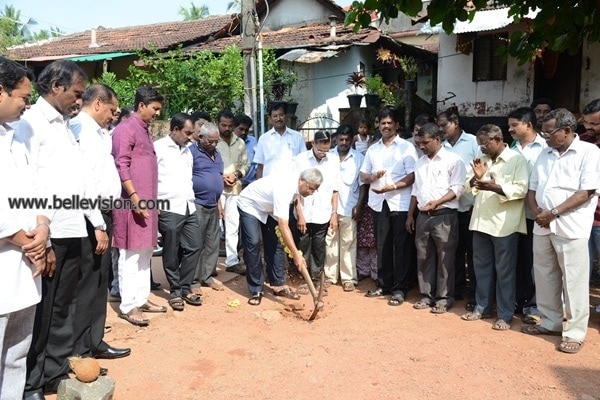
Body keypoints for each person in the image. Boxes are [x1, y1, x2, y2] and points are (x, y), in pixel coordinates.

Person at [13, 60, 87, 399]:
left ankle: (54, 373)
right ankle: (31, 383)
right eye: (76, 94)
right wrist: (47, 237)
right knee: (41, 315)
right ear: (55, 86)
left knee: (62, 309)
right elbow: (31, 184)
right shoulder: (30, 124)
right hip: (48, 233)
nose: (79, 101)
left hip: (71, 227)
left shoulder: (65, 125)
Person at [521, 108, 600, 354]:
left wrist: (553, 213)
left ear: (566, 130)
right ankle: (550, 322)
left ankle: (575, 332)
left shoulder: (589, 152)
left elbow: (586, 192)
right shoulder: (545, 154)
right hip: (543, 226)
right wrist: (537, 213)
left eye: (549, 133)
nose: (545, 138)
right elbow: (532, 189)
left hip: (571, 226)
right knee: (544, 276)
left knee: (574, 281)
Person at [0, 57, 53, 400]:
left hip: (24, 260)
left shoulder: (16, 136)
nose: (27, 104)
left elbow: (37, 186)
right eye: (22, 96)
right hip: (9, 254)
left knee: (16, 353)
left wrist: (43, 226)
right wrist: (24, 240)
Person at [70, 84, 131, 360]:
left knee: (99, 281)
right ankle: (81, 349)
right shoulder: (80, 130)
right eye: (111, 109)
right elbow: (83, 181)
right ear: (97, 103)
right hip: (88, 216)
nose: (113, 115)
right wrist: (97, 223)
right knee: (88, 282)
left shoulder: (99, 132)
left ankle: (95, 340)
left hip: (103, 212)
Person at [461, 124, 529, 331]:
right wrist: (477, 177)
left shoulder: (516, 160)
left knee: (505, 272)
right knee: (481, 269)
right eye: (479, 144)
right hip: (481, 222)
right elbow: (467, 188)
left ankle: (505, 314)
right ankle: (483, 308)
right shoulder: (482, 161)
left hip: (504, 225)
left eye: (484, 143)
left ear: (497, 140)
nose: (481, 148)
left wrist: (494, 187)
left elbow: (521, 189)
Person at [112, 85, 166, 327]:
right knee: (130, 254)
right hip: (131, 203)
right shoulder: (125, 129)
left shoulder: (145, 130)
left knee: (145, 252)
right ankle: (128, 305)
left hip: (148, 202)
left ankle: (142, 298)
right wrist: (135, 198)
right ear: (141, 105)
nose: (157, 113)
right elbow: (121, 165)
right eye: (154, 109)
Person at [238, 168, 323, 305]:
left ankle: (278, 284)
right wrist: (296, 255)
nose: (312, 193)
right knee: (253, 243)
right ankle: (256, 289)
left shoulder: (298, 185)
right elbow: (284, 225)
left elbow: (287, 216)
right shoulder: (285, 188)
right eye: (311, 189)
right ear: (302, 181)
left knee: (276, 243)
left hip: (270, 208)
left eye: (315, 190)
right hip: (250, 204)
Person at [406, 122, 466, 313]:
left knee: (445, 258)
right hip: (423, 216)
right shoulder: (420, 162)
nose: (422, 147)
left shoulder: (454, 160)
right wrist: (410, 215)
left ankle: (444, 298)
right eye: (419, 143)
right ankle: (426, 296)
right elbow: (415, 191)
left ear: (437, 140)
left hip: (445, 215)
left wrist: (437, 202)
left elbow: (457, 188)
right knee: (423, 257)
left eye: (425, 143)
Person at [360, 107, 416, 306]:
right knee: (382, 245)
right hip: (378, 202)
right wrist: (372, 177)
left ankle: (400, 289)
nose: (385, 126)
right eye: (382, 123)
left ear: (397, 125)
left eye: (389, 123)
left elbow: (412, 176)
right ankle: (384, 284)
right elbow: (363, 175)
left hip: (399, 202)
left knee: (401, 247)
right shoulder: (373, 149)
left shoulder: (406, 148)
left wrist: (392, 186)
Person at [155, 113, 202, 311]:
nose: (191, 137)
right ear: (175, 129)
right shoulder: (158, 148)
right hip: (168, 206)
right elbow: (149, 178)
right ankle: (175, 291)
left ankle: (184, 286)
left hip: (188, 205)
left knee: (195, 246)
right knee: (171, 250)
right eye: (187, 133)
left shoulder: (189, 150)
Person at [438, 106, 481, 308]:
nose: (441, 129)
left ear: (455, 123)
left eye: (443, 125)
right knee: (453, 252)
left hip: (471, 207)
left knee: (473, 255)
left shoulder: (473, 142)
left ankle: (474, 295)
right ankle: (455, 290)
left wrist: (466, 191)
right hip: (450, 208)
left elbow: (482, 170)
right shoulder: (442, 146)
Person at [508, 107, 547, 324]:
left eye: (514, 125)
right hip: (514, 214)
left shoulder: (544, 149)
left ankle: (535, 305)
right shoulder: (512, 149)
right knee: (518, 261)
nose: (510, 129)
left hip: (535, 215)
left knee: (535, 263)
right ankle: (517, 301)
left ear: (528, 125)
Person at [292, 131, 340, 295]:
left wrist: (334, 213)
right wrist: (300, 214)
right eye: (320, 150)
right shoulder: (300, 160)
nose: (323, 153)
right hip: (303, 211)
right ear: (313, 144)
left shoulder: (333, 160)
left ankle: (317, 280)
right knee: (303, 246)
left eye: (326, 150)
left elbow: (335, 189)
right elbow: (295, 189)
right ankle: (303, 280)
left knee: (319, 248)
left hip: (323, 212)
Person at [324, 125, 366, 291]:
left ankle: (348, 278)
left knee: (348, 243)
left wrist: (359, 205)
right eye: (340, 139)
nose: (343, 143)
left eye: (346, 140)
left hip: (350, 206)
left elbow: (363, 185)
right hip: (329, 208)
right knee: (330, 242)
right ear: (336, 139)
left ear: (351, 140)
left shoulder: (358, 158)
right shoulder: (328, 156)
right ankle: (330, 276)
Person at [190, 122, 225, 292]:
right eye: (210, 141)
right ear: (201, 137)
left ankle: (207, 276)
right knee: (197, 243)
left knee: (213, 242)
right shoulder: (192, 152)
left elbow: (217, 178)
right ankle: (194, 281)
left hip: (213, 204)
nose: (213, 144)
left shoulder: (217, 154)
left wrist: (219, 204)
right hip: (197, 203)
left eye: (216, 141)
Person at [216, 110, 248, 275]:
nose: (227, 128)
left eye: (230, 125)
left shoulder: (240, 143)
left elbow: (245, 165)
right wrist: (221, 177)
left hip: (235, 189)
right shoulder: (213, 141)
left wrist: (236, 175)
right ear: (218, 124)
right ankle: (210, 264)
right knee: (214, 227)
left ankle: (232, 261)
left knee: (233, 226)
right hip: (216, 190)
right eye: (223, 125)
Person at [253, 101, 306, 179]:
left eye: (281, 115)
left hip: (292, 183)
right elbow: (260, 167)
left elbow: (304, 162)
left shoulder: (297, 137)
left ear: (286, 117)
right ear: (270, 119)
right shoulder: (264, 139)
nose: (278, 119)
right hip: (269, 185)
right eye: (275, 116)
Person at [580, 99, 600, 282]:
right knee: (579, 266)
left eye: (594, 124)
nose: (588, 127)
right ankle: (577, 307)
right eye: (586, 122)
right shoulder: (582, 143)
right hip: (583, 216)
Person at [233, 113, 256, 188]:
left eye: (246, 130)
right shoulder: (228, 143)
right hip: (234, 185)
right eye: (241, 129)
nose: (244, 132)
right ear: (234, 127)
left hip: (251, 185)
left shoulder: (253, 141)